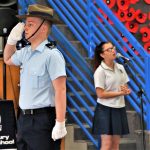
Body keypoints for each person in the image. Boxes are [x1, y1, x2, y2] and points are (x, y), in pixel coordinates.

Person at [4, 4, 67, 150]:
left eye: (30, 24)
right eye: (26, 24)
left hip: (42, 121)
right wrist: (12, 40)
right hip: (24, 119)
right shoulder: (25, 52)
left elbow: (60, 90)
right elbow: (7, 59)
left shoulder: (52, 55)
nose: (26, 27)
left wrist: (60, 122)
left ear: (43, 28)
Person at [92, 41, 131, 150]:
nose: (113, 50)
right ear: (102, 55)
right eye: (109, 49)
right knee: (107, 144)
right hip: (105, 110)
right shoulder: (100, 71)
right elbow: (100, 94)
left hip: (119, 108)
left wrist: (126, 90)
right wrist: (120, 93)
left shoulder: (120, 67)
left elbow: (124, 86)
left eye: (113, 48)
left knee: (115, 144)